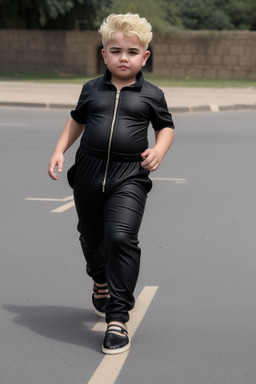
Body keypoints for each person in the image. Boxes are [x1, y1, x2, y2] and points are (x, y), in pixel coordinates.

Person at [48, 12, 175, 355]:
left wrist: (158, 151)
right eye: (116, 50)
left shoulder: (152, 94)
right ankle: (99, 280)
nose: (123, 57)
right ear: (104, 53)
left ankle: (117, 317)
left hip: (129, 176)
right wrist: (60, 150)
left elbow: (166, 126)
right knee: (91, 237)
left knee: (121, 237)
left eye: (132, 52)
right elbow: (76, 120)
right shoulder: (91, 89)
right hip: (87, 173)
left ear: (144, 56)